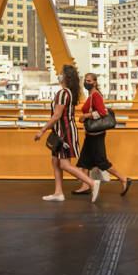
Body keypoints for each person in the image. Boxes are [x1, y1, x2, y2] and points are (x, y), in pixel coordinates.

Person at [34, 64, 101, 203]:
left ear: (65, 77)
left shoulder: (62, 93)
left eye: (60, 73)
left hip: (64, 133)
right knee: (55, 161)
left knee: (64, 164)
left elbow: (57, 115)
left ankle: (92, 183)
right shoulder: (70, 92)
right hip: (64, 131)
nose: (58, 75)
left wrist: (42, 130)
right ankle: (58, 192)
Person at [74, 73, 132, 197]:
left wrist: (86, 116)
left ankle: (123, 179)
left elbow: (102, 112)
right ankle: (85, 186)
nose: (86, 82)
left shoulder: (95, 95)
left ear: (94, 82)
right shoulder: (91, 95)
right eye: (85, 80)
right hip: (90, 134)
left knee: (101, 161)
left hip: (96, 135)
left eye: (89, 80)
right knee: (85, 161)